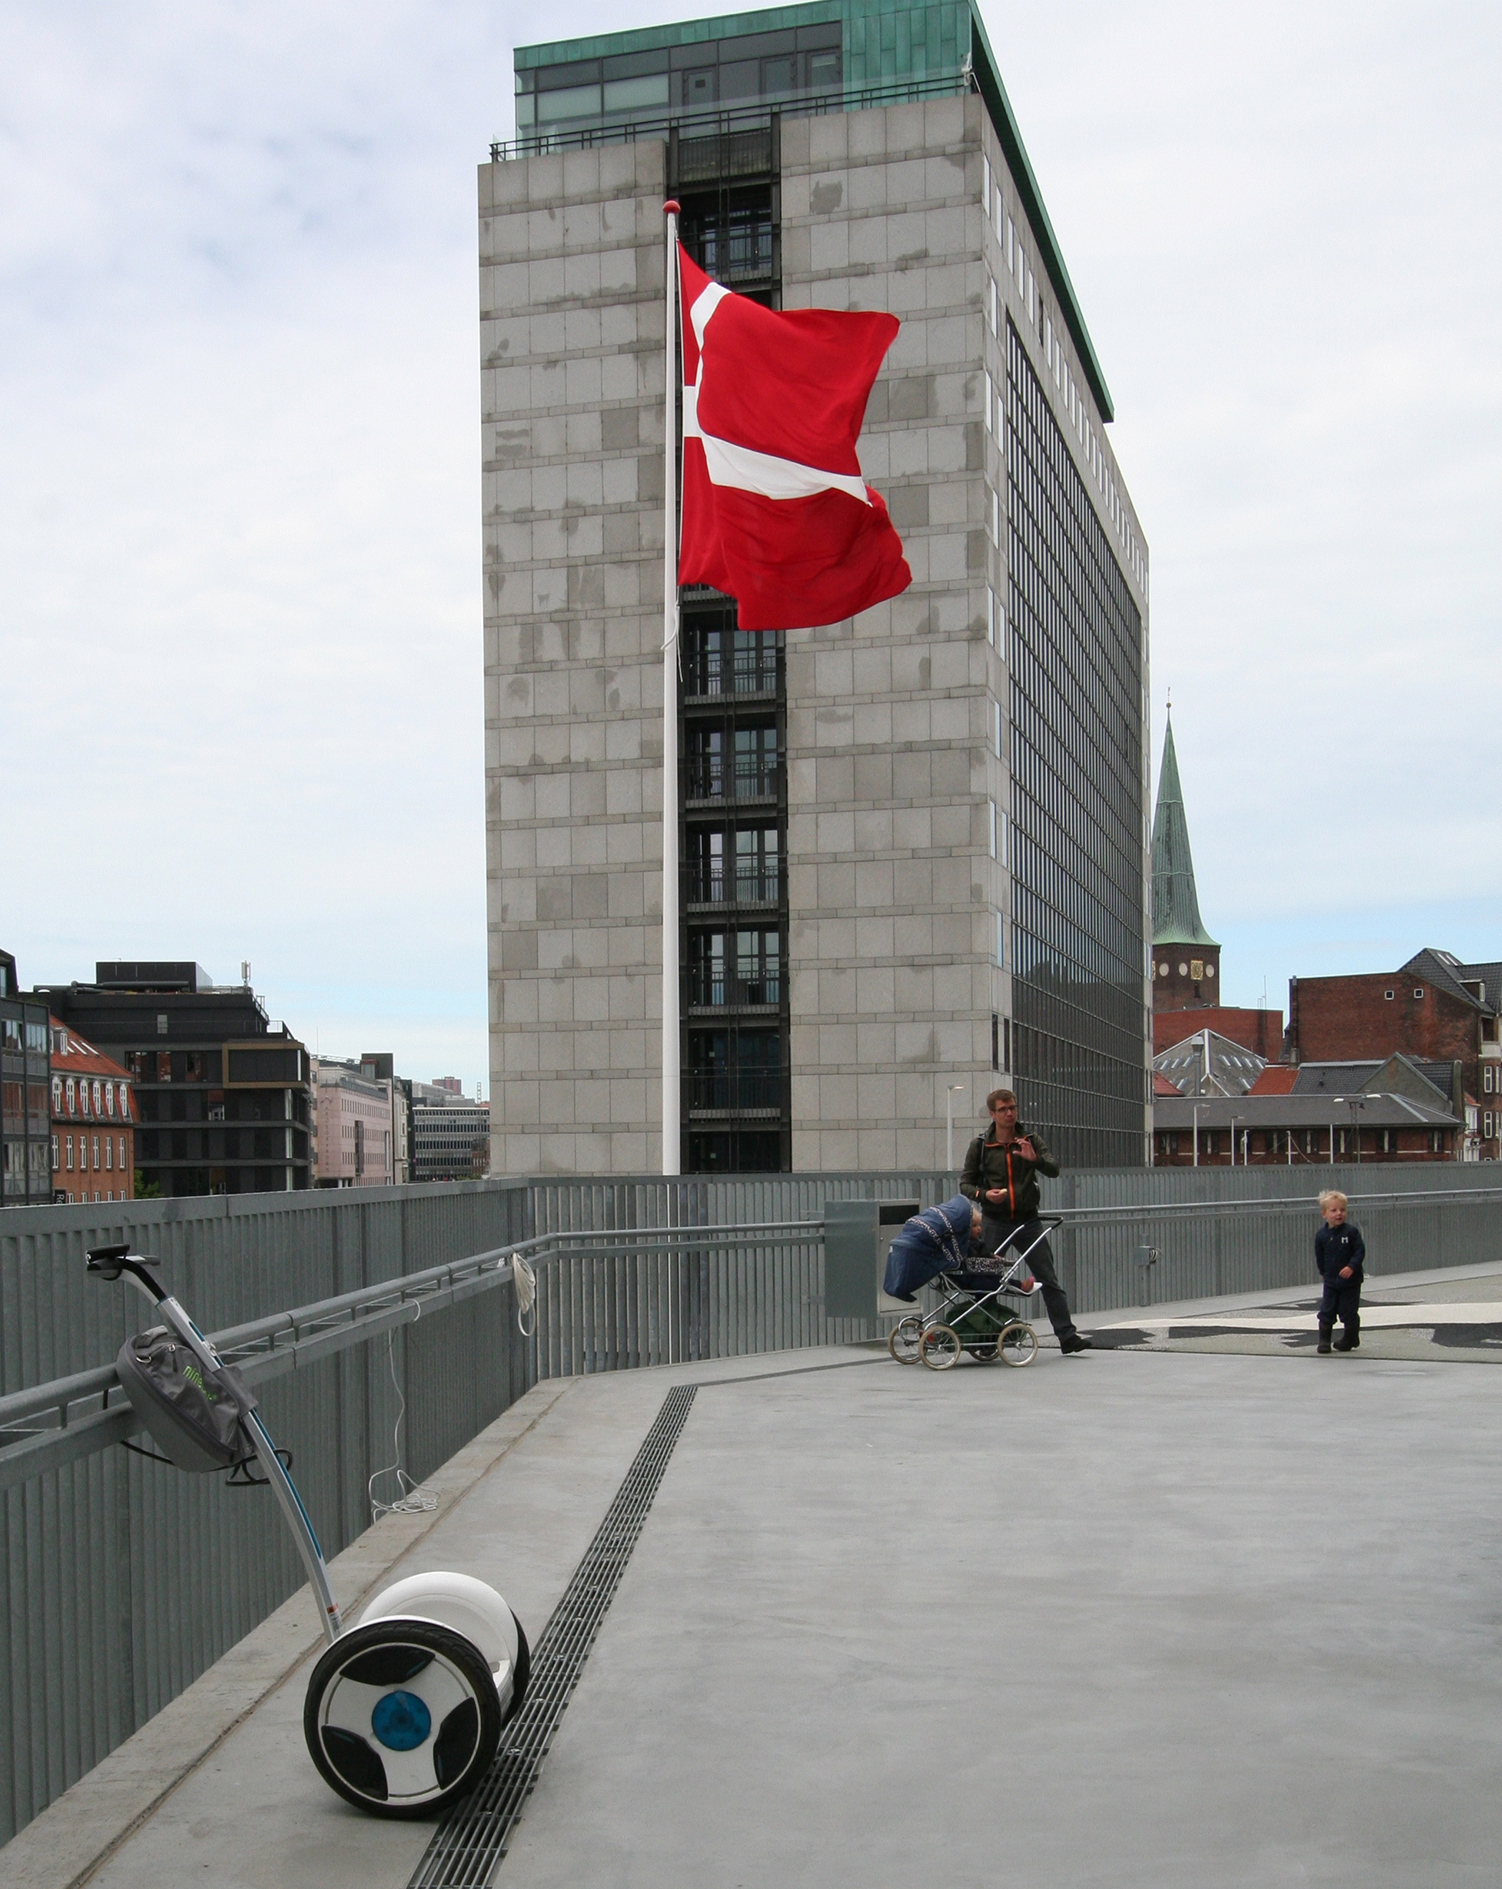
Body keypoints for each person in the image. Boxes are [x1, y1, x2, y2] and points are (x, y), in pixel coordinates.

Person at [960, 1089, 1090, 1354]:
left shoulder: (1029, 1140)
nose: (1010, 1113)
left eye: (1013, 1108)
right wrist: (984, 1195)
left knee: (1048, 1279)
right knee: (987, 1280)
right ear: (992, 1114)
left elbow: (1054, 1169)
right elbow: (965, 1183)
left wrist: (1035, 1159)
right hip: (994, 1221)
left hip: (1028, 1221)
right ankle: (986, 1340)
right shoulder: (981, 1145)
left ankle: (1067, 1337)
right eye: (1003, 1109)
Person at [1315, 1188, 1364, 1354]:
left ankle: (1350, 1337)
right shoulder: (1321, 1235)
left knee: (1348, 1310)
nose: (1339, 1214)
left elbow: (1359, 1251)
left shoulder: (1351, 1232)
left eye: (1342, 1210)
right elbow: (1319, 1255)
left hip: (1350, 1282)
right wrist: (1323, 1272)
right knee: (1327, 1310)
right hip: (1331, 1281)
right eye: (1334, 1210)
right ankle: (1324, 1340)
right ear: (1324, 1214)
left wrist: (1351, 1267)